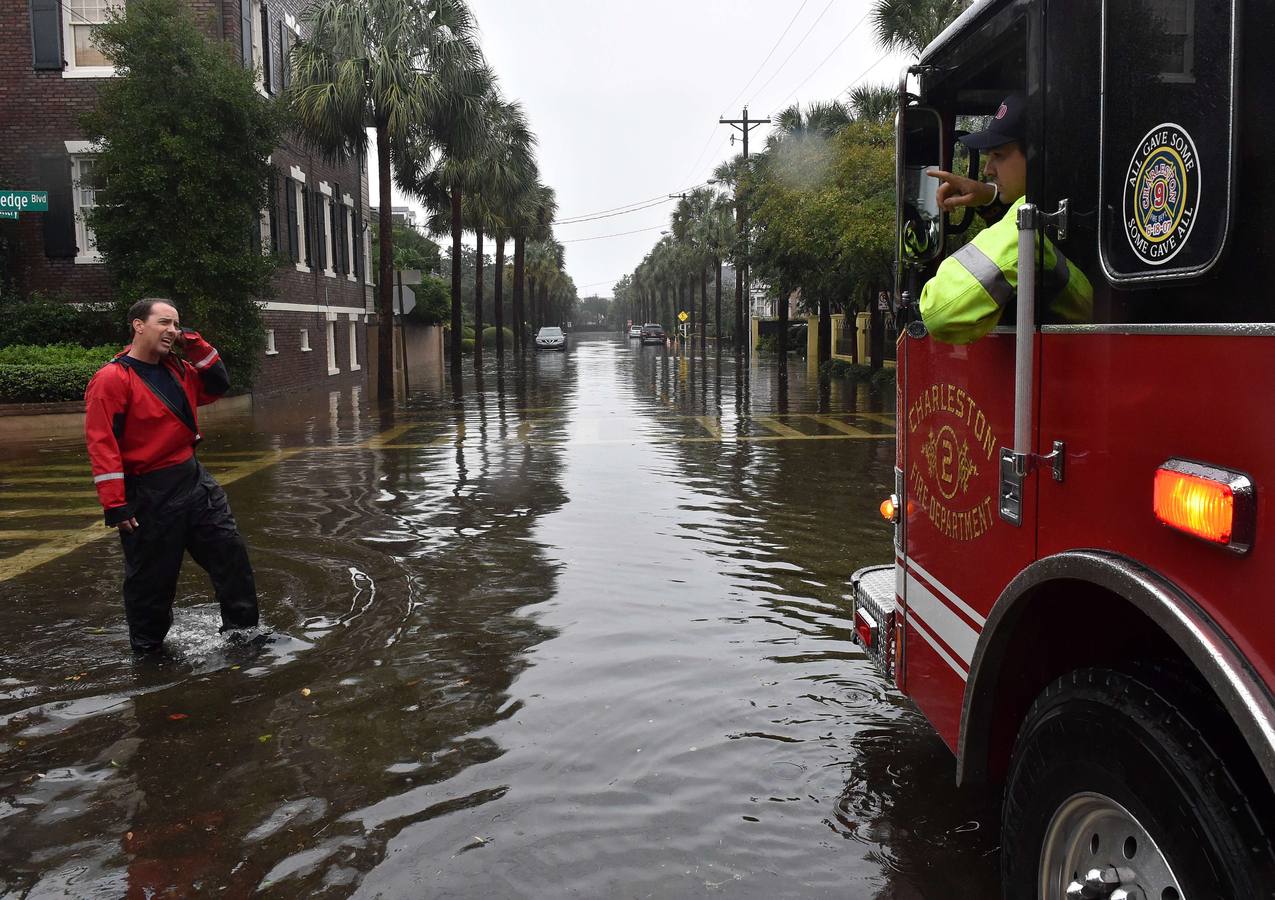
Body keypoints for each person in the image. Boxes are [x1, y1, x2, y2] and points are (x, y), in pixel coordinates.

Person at [84, 299, 259, 653]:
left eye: (176, 325)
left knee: (231, 557)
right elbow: (103, 445)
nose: (172, 331)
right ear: (138, 325)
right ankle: (148, 654)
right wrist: (116, 506)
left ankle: (245, 636)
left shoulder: (178, 369)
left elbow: (217, 382)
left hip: (195, 483)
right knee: (152, 583)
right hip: (148, 494)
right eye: (164, 323)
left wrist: (192, 342)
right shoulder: (112, 379)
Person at [919, 93, 1092, 343]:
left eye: (998, 155)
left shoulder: (1029, 224)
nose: (988, 169)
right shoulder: (1077, 203)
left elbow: (939, 311)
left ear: (1038, 157)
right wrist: (989, 195)